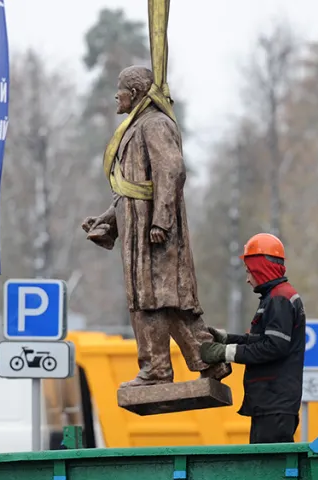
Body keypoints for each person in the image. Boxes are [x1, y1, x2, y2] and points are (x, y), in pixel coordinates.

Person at [81, 65, 229, 387]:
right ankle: (207, 360)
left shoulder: (155, 124)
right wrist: (107, 222)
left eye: (118, 90)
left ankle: (156, 369)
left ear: (134, 94)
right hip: (138, 230)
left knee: (155, 299)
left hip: (155, 232)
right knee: (161, 299)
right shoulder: (135, 127)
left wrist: (161, 220)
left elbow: (171, 170)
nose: (114, 97)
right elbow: (131, 189)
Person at [198, 232, 306, 443]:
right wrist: (227, 339)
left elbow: (274, 347)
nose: (248, 279)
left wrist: (225, 352)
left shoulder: (279, 299)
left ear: (261, 268)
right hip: (271, 405)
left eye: (249, 271)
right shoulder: (275, 297)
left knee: (268, 471)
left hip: (274, 405)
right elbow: (262, 341)